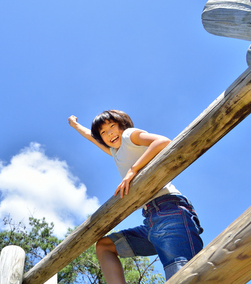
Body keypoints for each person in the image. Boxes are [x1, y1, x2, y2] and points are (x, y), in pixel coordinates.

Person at [68, 110, 203, 282]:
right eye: (103, 132)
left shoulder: (128, 136)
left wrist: (133, 170)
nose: (109, 133)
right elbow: (90, 136)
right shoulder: (115, 152)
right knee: (104, 246)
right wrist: (75, 125)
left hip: (169, 210)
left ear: (122, 125)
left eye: (112, 126)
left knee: (183, 275)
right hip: (150, 220)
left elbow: (162, 141)